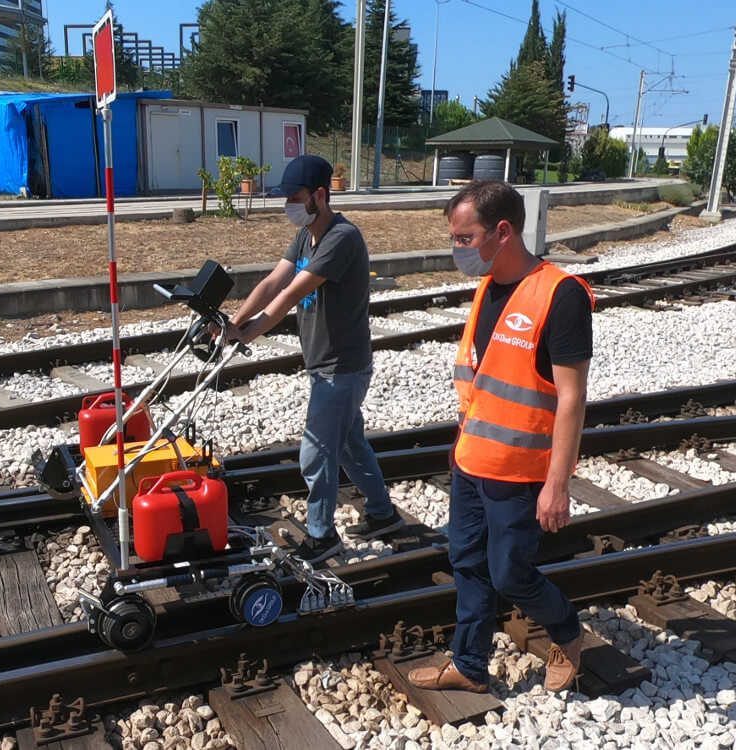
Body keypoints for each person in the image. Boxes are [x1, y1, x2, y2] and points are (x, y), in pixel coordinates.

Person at [408, 180, 594, 694]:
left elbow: (572, 399)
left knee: (510, 575)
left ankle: (566, 630)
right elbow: (483, 378)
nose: (457, 249)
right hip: (472, 462)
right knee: (467, 562)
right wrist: (462, 438)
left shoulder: (561, 295)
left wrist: (558, 485)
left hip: (520, 472)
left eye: (465, 238)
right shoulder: (488, 287)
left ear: (503, 231)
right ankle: (469, 666)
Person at [223, 155, 403, 563]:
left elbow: (288, 295)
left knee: (316, 451)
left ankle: (322, 537)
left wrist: (248, 333)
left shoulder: (342, 237)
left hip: (343, 366)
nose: (288, 203)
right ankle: (383, 513)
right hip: (325, 363)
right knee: (351, 445)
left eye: (294, 196)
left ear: (319, 196)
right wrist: (235, 321)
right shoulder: (307, 234)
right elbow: (274, 280)